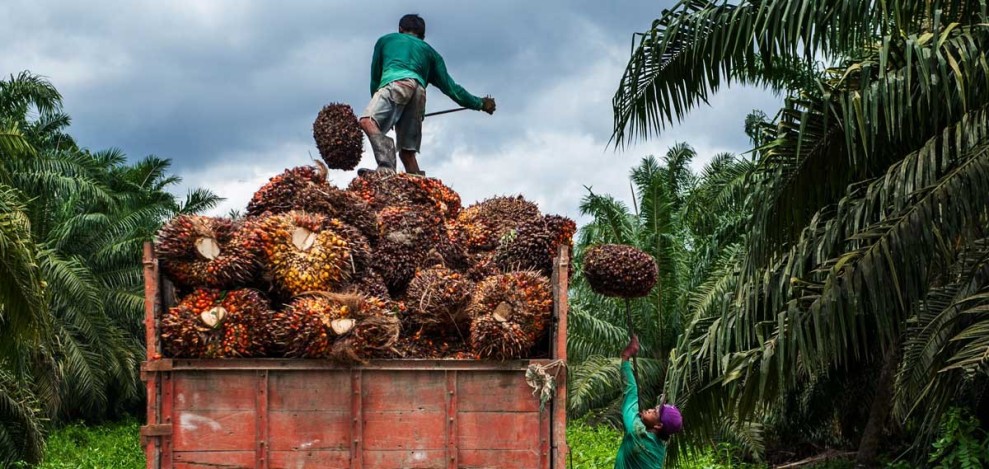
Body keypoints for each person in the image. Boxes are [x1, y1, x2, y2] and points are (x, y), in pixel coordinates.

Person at [358, 14, 496, 177]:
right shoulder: (431, 54)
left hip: (396, 85)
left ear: (400, 29)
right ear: (422, 35)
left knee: (367, 121)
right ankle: (420, 186)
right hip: (419, 93)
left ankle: (386, 166)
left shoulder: (386, 41)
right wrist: (480, 103)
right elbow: (453, 90)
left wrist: (384, 109)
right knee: (407, 152)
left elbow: (376, 79)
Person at [615, 335, 683, 469]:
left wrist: (626, 356)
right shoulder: (659, 448)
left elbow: (631, 391)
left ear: (658, 426)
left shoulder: (636, 432)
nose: (651, 409)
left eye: (655, 412)